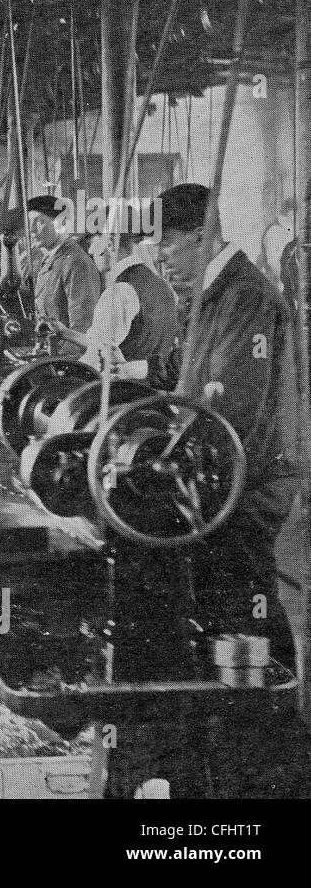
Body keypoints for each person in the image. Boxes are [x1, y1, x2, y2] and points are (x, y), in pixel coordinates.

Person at [155, 183, 305, 666]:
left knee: (246, 601)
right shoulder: (212, 293)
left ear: (200, 238)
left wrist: (169, 451)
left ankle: (276, 717)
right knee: (229, 600)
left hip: (250, 479)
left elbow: (229, 405)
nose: (160, 259)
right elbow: (190, 373)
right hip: (222, 475)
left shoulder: (245, 296)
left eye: (166, 244)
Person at [78, 231, 179, 390]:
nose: (90, 251)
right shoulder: (164, 287)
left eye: (92, 242)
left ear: (110, 243)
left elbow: (95, 357)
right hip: (157, 396)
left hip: (125, 397)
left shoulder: (119, 292)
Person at [28, 194, 101, 356]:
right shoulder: (51, 259)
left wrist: (62, 364)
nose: (32, 230)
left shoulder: (75, 262)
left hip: (68, 363)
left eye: (39, 222)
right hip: (52, 356)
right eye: (29, 223)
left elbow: (83, 326)